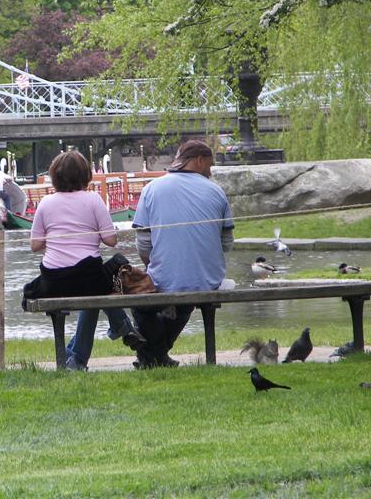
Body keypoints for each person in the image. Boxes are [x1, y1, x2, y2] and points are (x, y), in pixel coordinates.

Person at [28, 151, 146, 371]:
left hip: (54, 278)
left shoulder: (45, 203)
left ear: (55, 176)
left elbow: (35, 245)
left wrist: (57, 240)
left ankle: (76, 360)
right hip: (89, 277)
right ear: (85, 175)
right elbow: (111, 240)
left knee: (89, 294)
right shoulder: (93, 199)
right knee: (111, 270)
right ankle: (121, 326)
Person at [131, 139, 235, 369]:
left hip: (167, 279)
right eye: (209, 165)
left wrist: (153, 265)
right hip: (208, 280)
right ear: (199, 161)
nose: (210, 171)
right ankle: (157, 356)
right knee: (186, 295)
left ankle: (152, 356)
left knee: (140, 303)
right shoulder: (216, 191)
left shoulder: (152, 188)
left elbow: (143, 244)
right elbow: (227, 243)